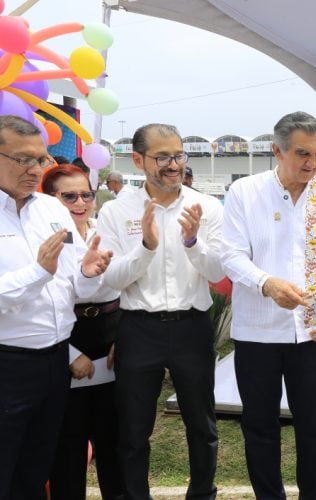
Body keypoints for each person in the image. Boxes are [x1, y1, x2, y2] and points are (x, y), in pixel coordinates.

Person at [221, 111, 316, 500]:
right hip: (257, 332)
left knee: (314, 426)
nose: (311, 163)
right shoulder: (245, 192)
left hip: (313, 333)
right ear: (277, 151)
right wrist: (266, 283)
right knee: (260, 425)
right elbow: (231, 255)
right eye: (302, 154)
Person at [98, 123, 224, 499]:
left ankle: (202, 493)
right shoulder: (116, 211)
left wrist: (193, 241)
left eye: (179, 155)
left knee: (201, 426)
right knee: (133, 429)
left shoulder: (207, 207)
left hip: (192, 327)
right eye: (163, 157)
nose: (173, 165)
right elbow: (112, 279)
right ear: (138, 160)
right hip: (139, 329)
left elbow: (217, 272)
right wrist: (146, 248)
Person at [0, 115, 112, 499]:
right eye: (23, 159)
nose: (34, 169)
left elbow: (72, 285)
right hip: (8, 363)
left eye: (40, 159)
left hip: (54, 361)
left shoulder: (51, 208)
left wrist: (89, 273)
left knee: (36, 467)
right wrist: (37, 272)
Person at [41, 165, 124, 500]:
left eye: (86, 195)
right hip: (64, 338)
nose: (80, 203)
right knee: (68, 447)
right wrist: (70, 354)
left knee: (114, 440)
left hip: (111, 336)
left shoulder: (108, 230)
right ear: (50, 199)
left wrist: (125, 337)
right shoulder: (43, 240)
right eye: (69, 196)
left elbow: (131, 286)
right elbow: (39, 302)